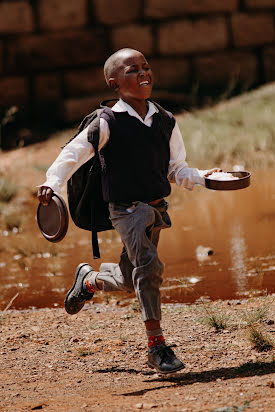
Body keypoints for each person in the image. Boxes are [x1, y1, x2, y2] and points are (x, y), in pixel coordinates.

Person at [38, 48, 220, 374]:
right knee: (148, 268)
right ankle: (157, 347)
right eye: (132, 69)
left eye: (145, 66)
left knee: (129, 275)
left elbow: (176, 169)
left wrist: (206, 178)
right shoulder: (107, 123)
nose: (143, 73)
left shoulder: (165, 121)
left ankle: (90, 280)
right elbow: (71, 154)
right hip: (126, 211)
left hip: (156, 209)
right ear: (115, 83)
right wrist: (52, 182)